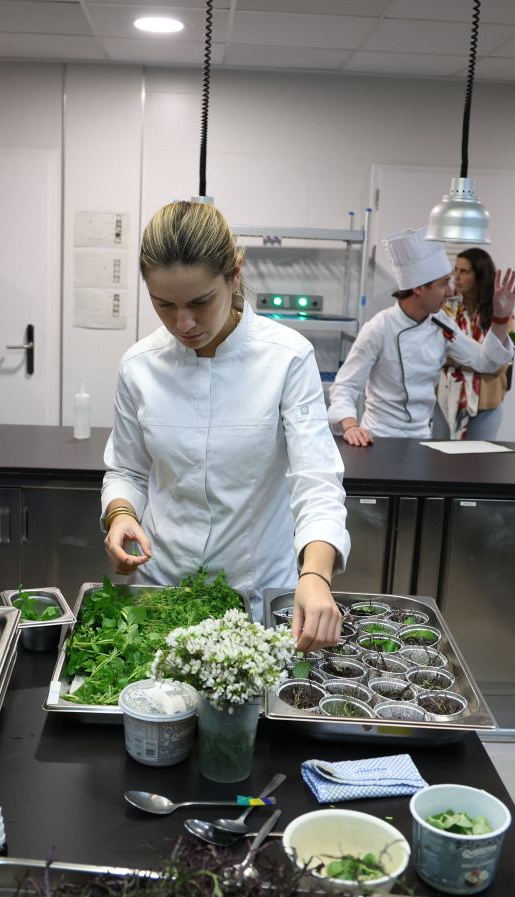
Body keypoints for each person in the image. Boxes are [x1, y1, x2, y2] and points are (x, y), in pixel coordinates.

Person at [101, 200, 350, 651]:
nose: (184, 323)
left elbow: (316, 482)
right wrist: (121, 514)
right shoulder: (139, 366)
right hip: (162, 594)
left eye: (200, 302)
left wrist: (314, 575)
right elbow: (127, 470)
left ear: (235, 274)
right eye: (164, 305)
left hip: (255, 598)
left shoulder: (286, 358)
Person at [327, 229, 515, 446]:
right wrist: (350, 426)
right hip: (378, 439)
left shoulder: (441, 324)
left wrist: (500, 319)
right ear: (418, 288)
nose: (450, 292)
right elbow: (345, 386)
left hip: (421, 440)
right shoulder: (379, 328)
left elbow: (486, 362)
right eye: (443, 283)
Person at [432, 247, 515, 440]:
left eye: (464, 271)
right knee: (438, 463)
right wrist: (476, 360)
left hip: (485, 403)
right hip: (445, 399)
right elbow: (436, 354)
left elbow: (497, 364)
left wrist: (457, 360)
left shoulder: (500, 313)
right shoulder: (444, 308)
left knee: (478, 465)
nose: (457, 277)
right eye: (455, 270)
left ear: (479, 275)